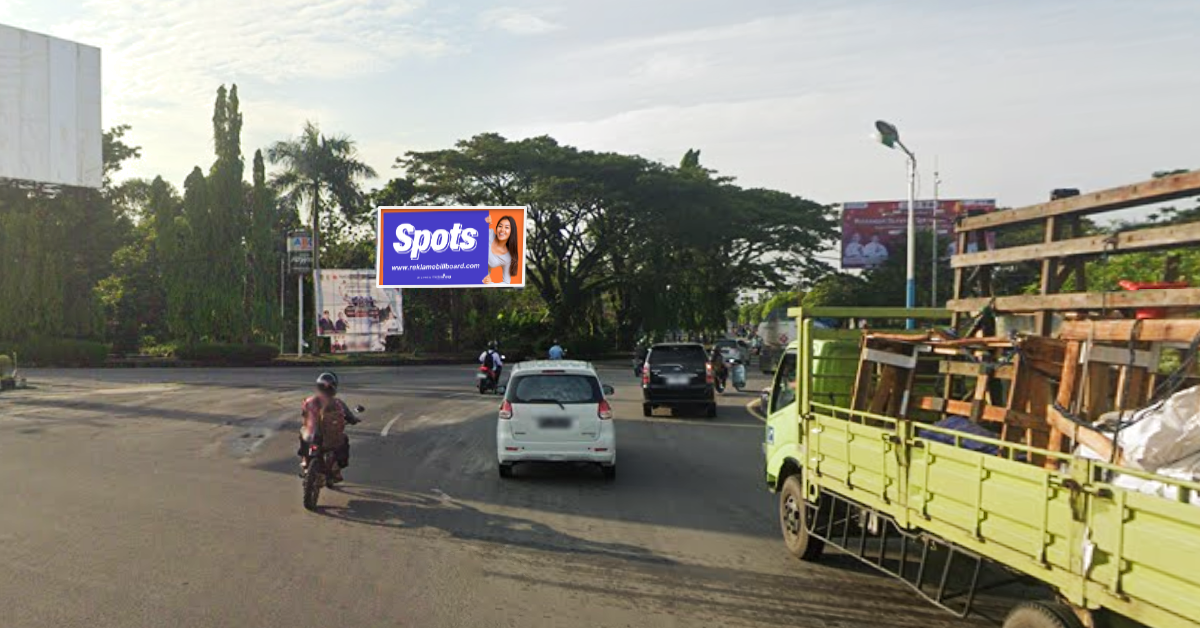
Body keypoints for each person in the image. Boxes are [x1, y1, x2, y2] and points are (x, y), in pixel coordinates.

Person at [298, 372, 360, 484]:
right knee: (343, 440)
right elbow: (350, 417)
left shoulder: (308, 402)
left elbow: (304, 415)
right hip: (331, 440)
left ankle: (305, 464)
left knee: (303, 433)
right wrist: (354, 420)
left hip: (312, 438)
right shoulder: (338, 403)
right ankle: (336, 470)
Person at [482, 215, 519, 285]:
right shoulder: (489, 234)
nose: (502, 230)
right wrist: (482, 222)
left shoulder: (508, 257)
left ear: (512, 231)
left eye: (507, 227)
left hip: (479, 281)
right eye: (500, 226)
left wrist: (490, 283)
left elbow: (506, 282)